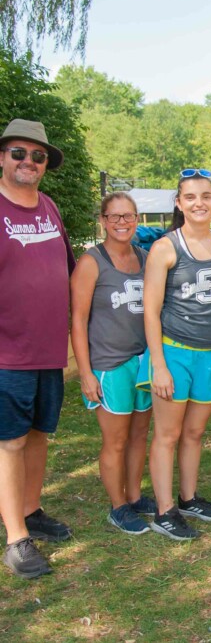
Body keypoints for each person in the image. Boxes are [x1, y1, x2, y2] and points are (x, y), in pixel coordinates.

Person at [137, 169, 211, 541]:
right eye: (191, 197)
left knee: (194, 432)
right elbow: (150, 311)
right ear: (179, 203)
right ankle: (165, 511)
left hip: (209, 353)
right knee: (167, 434)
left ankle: (189, 497)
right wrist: (158, 365)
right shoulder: (166, 247)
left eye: (206, 196)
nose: (199, 203)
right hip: (174, 351)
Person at [0, 119, 75, 578]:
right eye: (18, 153)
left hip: (49, 351)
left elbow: (65, 271)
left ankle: (30, 510)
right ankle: (15, 538)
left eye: (38, 156)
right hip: (7, 353)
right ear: (2, 158)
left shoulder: (48, 207)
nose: (28, 161)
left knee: (38, 436)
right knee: (8, 443)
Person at [71, 193, 156, 535]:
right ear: (103, 221)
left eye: (129, 216)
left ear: (138, 220)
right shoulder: (92, 262)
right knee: (116, 441)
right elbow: (77, 321)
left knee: (139, 435)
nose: (122, 223)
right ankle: (117, 506)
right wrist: (85, 372)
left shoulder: (146, 258)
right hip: (109, 364)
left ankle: (134, 497)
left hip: (143, 362)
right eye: (115, 217)